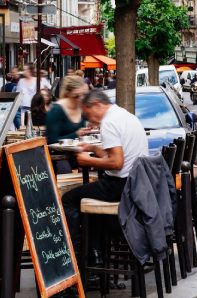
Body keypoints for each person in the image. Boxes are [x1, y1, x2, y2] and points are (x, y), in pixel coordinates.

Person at [62, 90, 149, 258]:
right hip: (136, 184)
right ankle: (96, 253)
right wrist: (94, 149)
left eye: (88, 114)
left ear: (97, 105)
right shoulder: (125, 116)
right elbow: (118, 156)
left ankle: (78, 256)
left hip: (120, 186)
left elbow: (116, 163)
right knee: (89, 200)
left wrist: (88, 161)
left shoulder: (108, 123)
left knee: (68, 199)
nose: (89, 120)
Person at [45, 76, 89, 144]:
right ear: (68, 93)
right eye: (76, 96)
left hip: (80, 151)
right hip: (59, 153)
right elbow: (51, 140)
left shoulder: (81, 107)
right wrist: (76, 134)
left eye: (84, 95)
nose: (81, 99)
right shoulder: (56, 110)